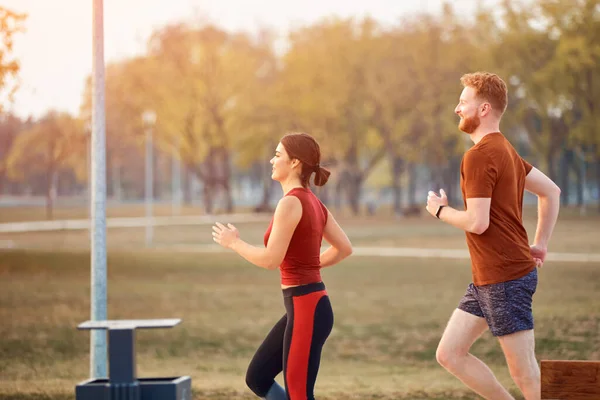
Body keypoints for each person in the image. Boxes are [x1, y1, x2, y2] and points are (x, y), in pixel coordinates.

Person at [425, 72, 561, 400]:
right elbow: (551, 192)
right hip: (488, 278)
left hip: (505, 278)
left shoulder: (480, 155)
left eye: (463, 102)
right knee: (449, 354)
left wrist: (440, 211)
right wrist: (540, 244)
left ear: (484, 109)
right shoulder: (506, 150)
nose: (457, 108)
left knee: (524, 372)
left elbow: (477, 222)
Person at [212, 132, 353, 400]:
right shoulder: (314, 202)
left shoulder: (291, 203)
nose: (271, 160)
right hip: (306, 305)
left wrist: (234, 243)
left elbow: (270, 260)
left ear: (295, 162)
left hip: (307, 306)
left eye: (278, 155)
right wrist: (309, 266)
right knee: (258, 377)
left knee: (299, 394)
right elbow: (344, 248)